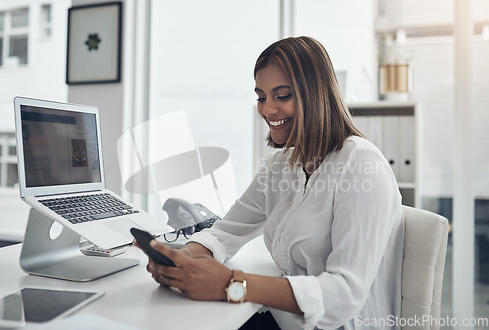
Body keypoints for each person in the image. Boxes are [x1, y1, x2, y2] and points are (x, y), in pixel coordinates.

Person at [136, 36, 404, 330]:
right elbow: (224, 232)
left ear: (316, 95)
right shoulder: (280, 166)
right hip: (288, 321)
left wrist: (231, 285)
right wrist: (180, 259)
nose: (267, 110)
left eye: (282, 95)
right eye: (261, 97)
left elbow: (344, 295)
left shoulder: (361, 165)